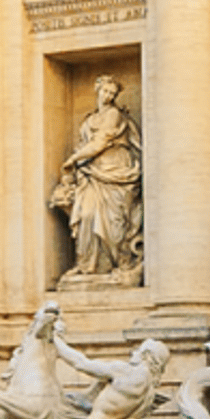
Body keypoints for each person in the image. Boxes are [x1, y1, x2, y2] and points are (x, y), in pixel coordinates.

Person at [52, 77, 143, 278]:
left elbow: (100, 142)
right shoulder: (89, 119)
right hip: (91, 173)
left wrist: (74, 159)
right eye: (105, 91)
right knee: (86, 215)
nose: (108, 96)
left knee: (114, 222)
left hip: (115, 169)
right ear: (97, 90)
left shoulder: (114, 115)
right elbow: (85, 144)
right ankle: (86, 265)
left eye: (112, 93)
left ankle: (118, 263)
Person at [52, 327, 170, 419]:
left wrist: (56, 339)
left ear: (146, 355)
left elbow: (81, 363)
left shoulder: (126, 372)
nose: (133, 353)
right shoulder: (149, 392)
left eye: (138, 350)